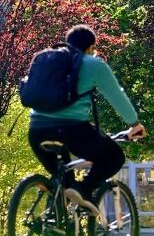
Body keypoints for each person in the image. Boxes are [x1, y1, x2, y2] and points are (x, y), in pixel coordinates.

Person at [28, 24, 146, 216]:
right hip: (71, 130)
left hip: (36, 130)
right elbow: (117, 96)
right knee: (114, 157)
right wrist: (134, 124)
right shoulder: (92, 64)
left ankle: (51, 220)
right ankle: (84, 190)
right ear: (90, 47)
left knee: (64, 184)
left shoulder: (47, 59)